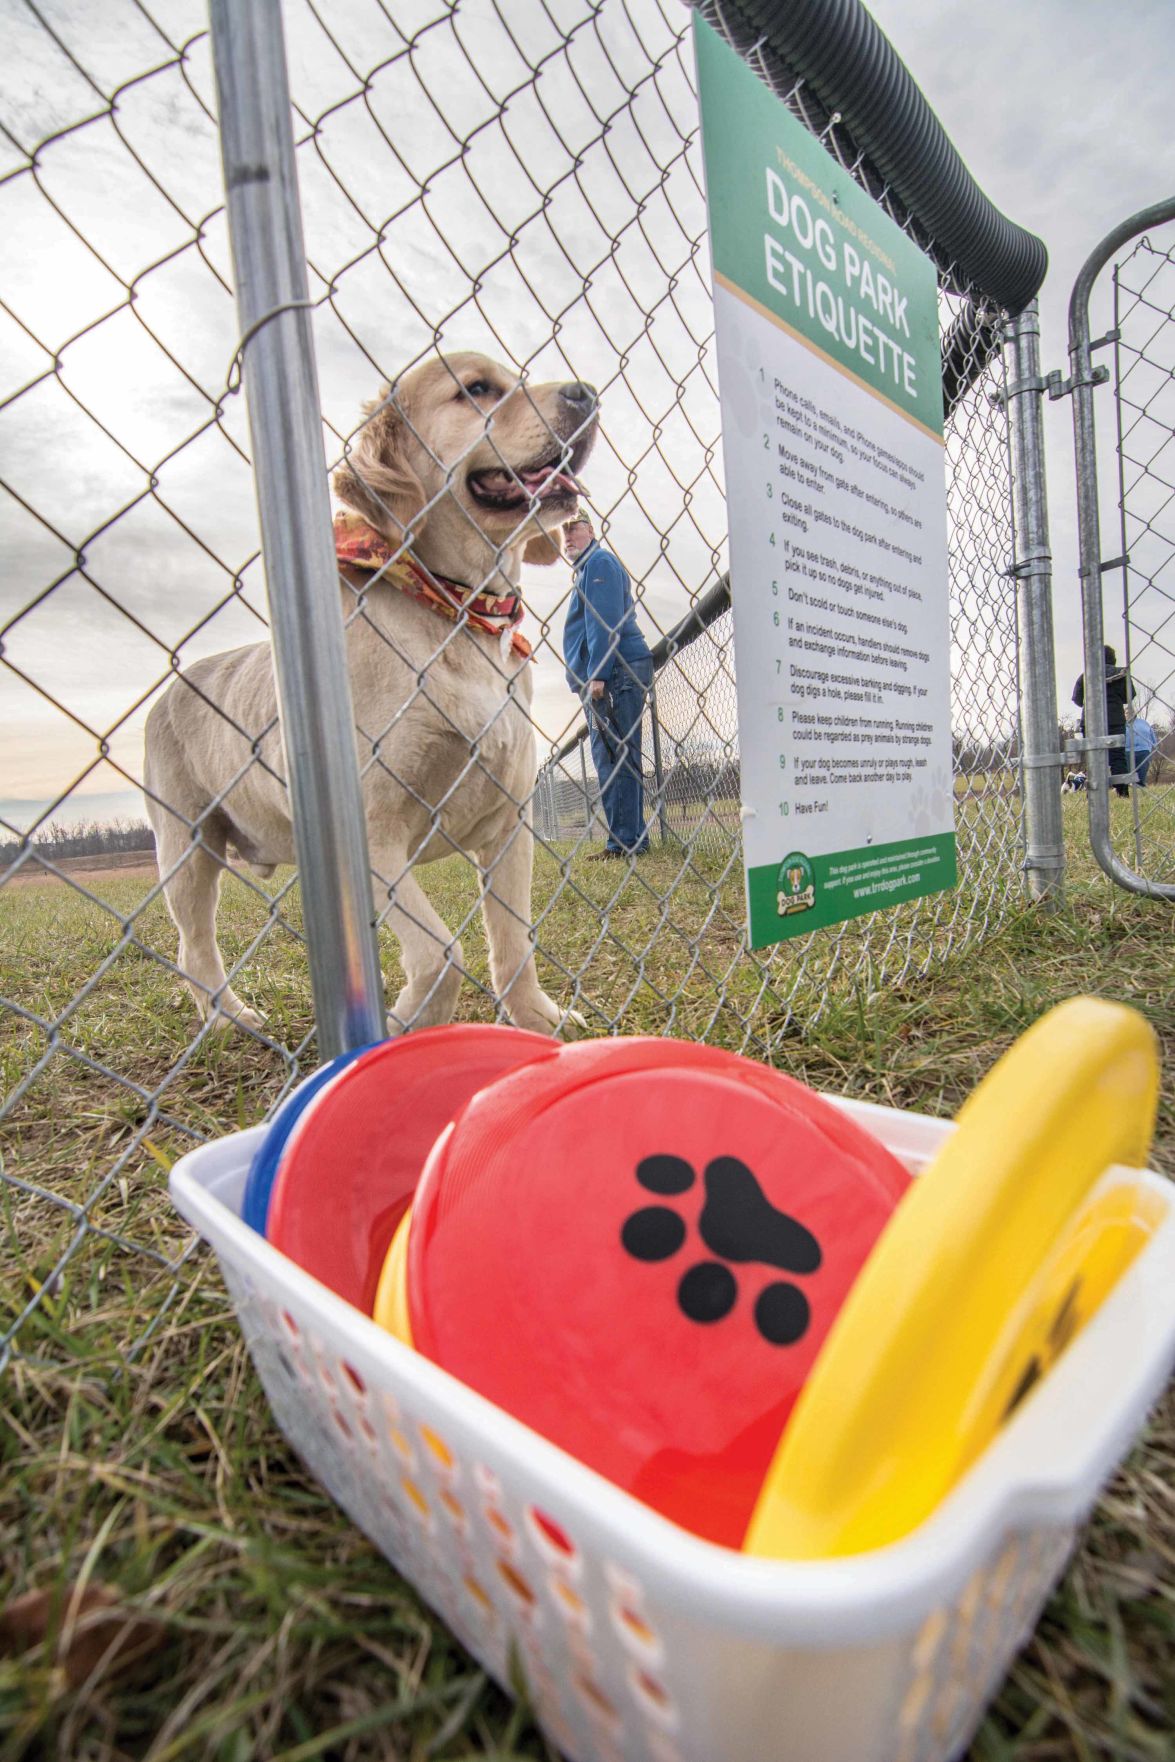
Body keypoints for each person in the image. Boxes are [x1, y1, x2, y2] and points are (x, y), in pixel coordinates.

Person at [562, 510, 654, 859]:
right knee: (614, 757)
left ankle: (625, 843)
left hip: (615, 672)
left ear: (591, 530)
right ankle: (626, 839)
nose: (567, 536)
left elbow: (602, 620)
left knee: (616, 757)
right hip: (613, 672)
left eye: (574, 529)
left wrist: (598, 672)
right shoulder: (588, 570)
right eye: (563, 532)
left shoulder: (599, 563)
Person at [1072, 645, 1134, 797]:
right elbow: (1129, 696)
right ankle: (1122, 791)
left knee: (1094, 756)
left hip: (1091, 721)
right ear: (1113, 659)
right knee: (1117, 756)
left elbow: (1077, 699)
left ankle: (1094, 793)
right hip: (1115, 720)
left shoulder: (1085, 675)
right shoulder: (1122, 674)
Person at [1127, 713, 1157, 787]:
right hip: (1127, 750)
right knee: (1127, 769)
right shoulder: (1121, 724)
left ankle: (1140, 785)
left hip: (1144, 749)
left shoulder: (1143, 723)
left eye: (1131, 712)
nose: (1129, 714)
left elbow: (1151, 733)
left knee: (1143, 767)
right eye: (1127, 712)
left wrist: (1155, 743)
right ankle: (1125, 786)